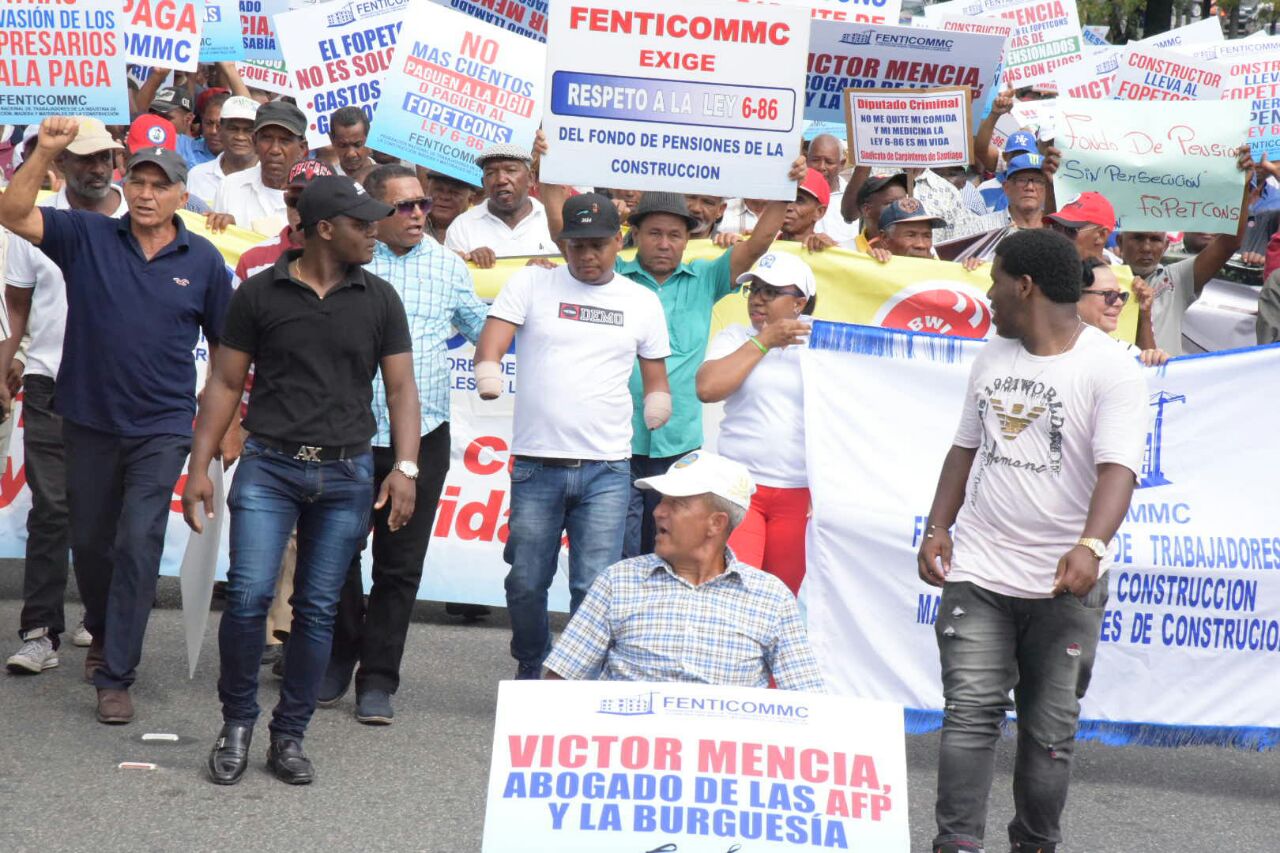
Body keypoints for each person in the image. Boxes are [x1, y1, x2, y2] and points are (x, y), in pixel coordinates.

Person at [184, 174, 420, 786]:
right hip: (270, 467)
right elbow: (225, 384)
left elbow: (401, 390)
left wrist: (405, 466)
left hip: (346, 472)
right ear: (324, 230)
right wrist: (198, 467)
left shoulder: (380, 298)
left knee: (316, 610)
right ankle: (237, 723)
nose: (375, 233)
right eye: (362, 224)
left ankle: (289, 735)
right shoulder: (258, 293)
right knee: (247, 598)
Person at [918, 229, 1147, 853]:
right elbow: (965, 447)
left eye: (995, 282)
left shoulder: (1110, 369)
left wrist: (1091, 547)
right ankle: (956, 844)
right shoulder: (993, 355)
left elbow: (1118, 470)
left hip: (1063, 583)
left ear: (1025, 286)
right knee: (969, 717)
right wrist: (939, 527)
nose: (988, 295)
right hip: (979, 571)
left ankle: (1034, 844)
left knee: (1048, 737)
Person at [0, 117, 233, 724]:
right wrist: (46, 151)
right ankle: (103, 626)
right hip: (87, 418)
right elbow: (12, 212)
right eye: (139, 182)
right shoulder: (88, 235)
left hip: (163, 425)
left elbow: (228, 354)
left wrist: (225, 426)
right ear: (125, 186)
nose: (148, 194)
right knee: (92, 543)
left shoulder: (204, 260)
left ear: (183, 195)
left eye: (161, 185)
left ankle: (116, 673)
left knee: (138, 540)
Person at [538, 138, 804, 557]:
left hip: (680, 447)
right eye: (655, 233)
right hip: (615, 444)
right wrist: (549, 170)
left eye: (675, 235)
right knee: (618, 553)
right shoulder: (611, 276)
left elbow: (759, 244)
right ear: (634, 235)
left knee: (670, 551)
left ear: (687, 239)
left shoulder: (706, 279)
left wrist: (784, 186)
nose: (665, 243)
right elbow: (563, 235)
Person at [474, 193, 671, 680]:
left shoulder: (641, 301)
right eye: (577, 245)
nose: (587, 255)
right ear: (562, 245)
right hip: (538, 464)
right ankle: (533, 660)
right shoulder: (532, 283)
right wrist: (488, 367)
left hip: (607, 468)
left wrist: (657, 401)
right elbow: (493, 339)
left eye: (597, 245)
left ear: (619, 242)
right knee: (525, 581)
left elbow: (656, 377)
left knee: (592, 585)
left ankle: (579, 680)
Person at [318, 164, 489, 723]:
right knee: (336, 553)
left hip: (423, 435)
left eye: (423, 204)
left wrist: (537, 291)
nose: (418, 214)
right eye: (404, 206)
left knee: (400, 564)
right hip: (346, 434)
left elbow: (487, 328)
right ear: (374, 212)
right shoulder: (351, 262)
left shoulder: (448, 265)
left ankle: (378, 678)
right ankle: (340, 653)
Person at [1, 119, 125, 674]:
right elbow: (17, 304)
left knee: (109, 512)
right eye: (85, 159)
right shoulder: (35, 220)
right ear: (61, 165)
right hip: (50, 380)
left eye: (105, 158)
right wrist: (3, 368)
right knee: (51, 509)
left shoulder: (143, 215)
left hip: (120, 387)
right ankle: (39, 631)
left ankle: (101, 620)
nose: (97, 168)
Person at [542, 450, 824, 691]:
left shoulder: (770, 598)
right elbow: (560, 681)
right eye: (661, 500)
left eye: (675, 504)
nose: (658, 512)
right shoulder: (619, 581)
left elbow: (808, 700)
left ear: (716, 523)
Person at [695, 253, 815, 595]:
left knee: (779, 596)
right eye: (754, 289)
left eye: (771, 291)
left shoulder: (823, 344)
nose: (758, 299)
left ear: (799, 303)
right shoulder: (735, 337)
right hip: (739, 487)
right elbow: (707, 388)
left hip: (798, 491)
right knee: (734, 591)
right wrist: (764, 341)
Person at [1115, 144, 1254, 355]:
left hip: (1166, 376)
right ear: (1120, 242)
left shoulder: (1175, 280)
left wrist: (1242, 189)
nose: (1146, 247)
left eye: (1155, 240)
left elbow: (1229, 244)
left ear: (1166, 246)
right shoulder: (1101, 280)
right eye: (1138, 238)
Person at [444, 143, 555, 266]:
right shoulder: (462, 226)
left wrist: (545, 271)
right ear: (483, 183)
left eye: (511, 170)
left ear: (531, 178)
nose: (501, 180)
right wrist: (469, 260)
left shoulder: (554, 221)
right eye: (491, 173)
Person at [210, 101, 309, 235]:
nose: (275, 150)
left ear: (302, 149)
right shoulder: (229, 187)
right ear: (255, 142)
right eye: (267, 138)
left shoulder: (315, 198)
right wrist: (229, 230)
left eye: (285, 141)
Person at [1078, 257, 1168, 366]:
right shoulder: (1059, 351)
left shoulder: (1128, 353)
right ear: (1076, 296)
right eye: (1109, 295)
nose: (1119, 303)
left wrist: (1154, 362)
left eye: (1121, 295)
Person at [187, 96, 260, 204]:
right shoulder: (197, 175)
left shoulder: (269, 181)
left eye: (248, 130)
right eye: (233, 129)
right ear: (220, 130)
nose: (240, 137)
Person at [807, 133, 858, 243]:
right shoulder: (793, 196)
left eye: (829, 162)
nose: (821, 167)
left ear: (841, 164)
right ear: (807, 159)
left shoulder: (853, 201)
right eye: (815, 160)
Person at [840, 171, 908, 252]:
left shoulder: (915, 250)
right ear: (866, 210)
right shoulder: (844, 252)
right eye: (891, 203)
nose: (901, 208)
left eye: (904, 202)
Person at [1045, 192, 1118, 263]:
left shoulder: (1118, 271)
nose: (1059, 237)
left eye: (1070, 230)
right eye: (1056, 227)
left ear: (1101, 235)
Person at [149, 87, 213, 168]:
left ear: (188, 119)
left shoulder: (206, 150)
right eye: (153, 116)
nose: (157, 121)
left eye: (165, 117)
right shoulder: (146, 140)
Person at [414, 168, 476, 244]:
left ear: (470, 199)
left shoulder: (478, 232)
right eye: (438, 190)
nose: (444, 197)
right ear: (426, 192)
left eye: (454, 192)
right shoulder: (409, 224)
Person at [779, 170, 830, 243]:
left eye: (799, 201)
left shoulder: (826, 249)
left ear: (819, 212)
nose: (788, 207)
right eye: (785, 199)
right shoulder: (764, 246)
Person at [328, 106, 376, 183]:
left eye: (357, 144)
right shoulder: (330, 183)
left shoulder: (388, 176)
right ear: (332, 141)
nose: (351, 154)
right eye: (343, 145)